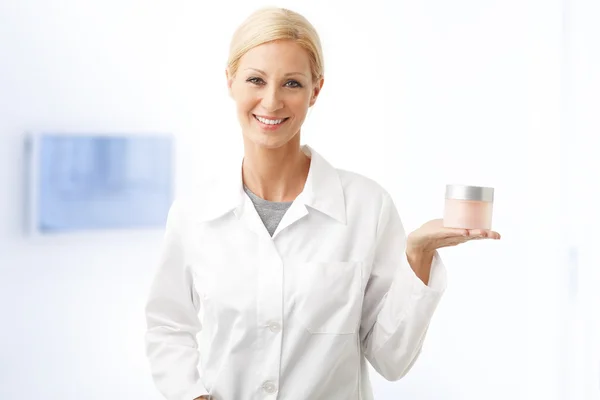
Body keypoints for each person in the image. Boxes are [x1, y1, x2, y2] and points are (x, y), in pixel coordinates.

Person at [144, 6, 500, 400]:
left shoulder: (367, 206)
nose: (272, 101)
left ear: (316, 90)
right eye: (256, 80)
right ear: (230, 81)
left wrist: (417, 255)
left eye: (292, 83)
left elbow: (391, 360)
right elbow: (168, 326)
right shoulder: (194, 214)